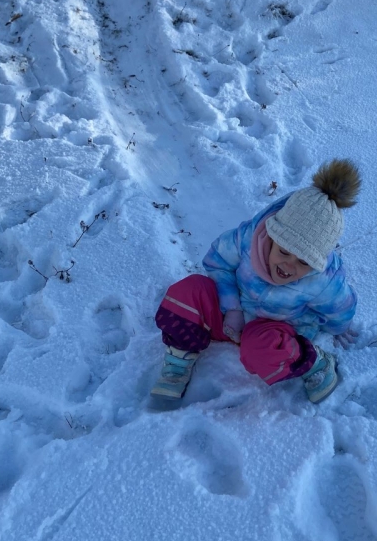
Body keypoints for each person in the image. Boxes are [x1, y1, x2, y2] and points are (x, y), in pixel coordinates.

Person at [151, 159, 361, 404]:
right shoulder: (248, 239)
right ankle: (179, 358)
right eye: (284, 252)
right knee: (188, 291)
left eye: (304, 262)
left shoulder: (323, 279)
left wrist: (340, 328)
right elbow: (218, 261)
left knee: (262, 349)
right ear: (272, 235)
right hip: (228, 316)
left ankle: (315, 362)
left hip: (273, 330)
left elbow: (340, 306)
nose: (288, 266)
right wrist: (232, 308)